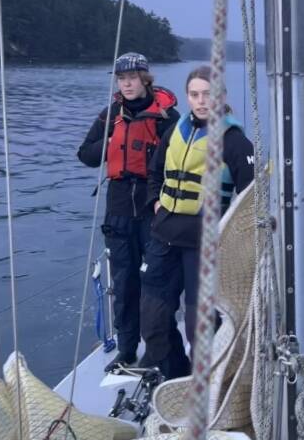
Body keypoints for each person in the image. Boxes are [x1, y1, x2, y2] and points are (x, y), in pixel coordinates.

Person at [140, 64, 255, 380]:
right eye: (195, 94)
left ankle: (208, 386)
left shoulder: (235, 143)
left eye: (208, 94)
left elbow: (251, 198)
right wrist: (155, 202)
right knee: (153, 324)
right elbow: (154, 172)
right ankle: (177, 379)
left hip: (205, 246)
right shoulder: (173, 132)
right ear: (188, 97)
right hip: (164, 237)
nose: (202, 100)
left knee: (199, 329)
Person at [77, 52, 180, 371]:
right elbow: (85, 155)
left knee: (153, 282)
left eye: (132, 78)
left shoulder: (167, 117)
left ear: (145, 80)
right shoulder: (109, 116)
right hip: (119, 206)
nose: (127, 84)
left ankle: (157, 347)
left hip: (154, 206)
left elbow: (181, 159)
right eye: (122, 79)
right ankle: (126, 347)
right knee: (123, 282)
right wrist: (110, 143)